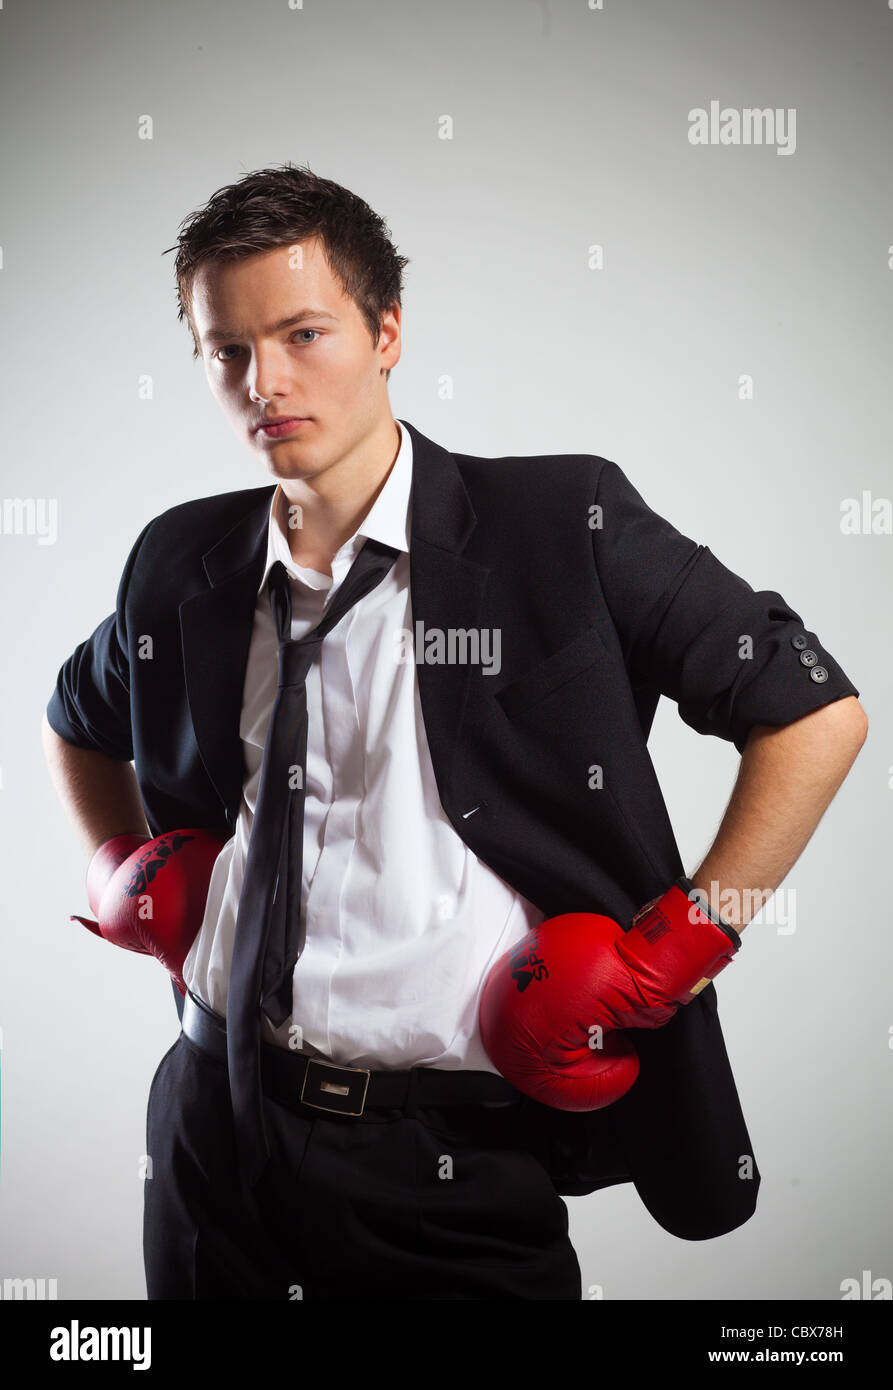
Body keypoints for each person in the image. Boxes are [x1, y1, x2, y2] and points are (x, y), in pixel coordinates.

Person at [42, 163, 867, 1301]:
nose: (262, 381)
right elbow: (73, 718)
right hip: (209, 1127)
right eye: (225, 349)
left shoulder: (557, 525)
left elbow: (812, 708)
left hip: (451, 1161)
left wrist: (680, 945)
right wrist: (119, 864)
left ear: (385, 331)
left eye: (301, 333)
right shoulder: (182, 558)